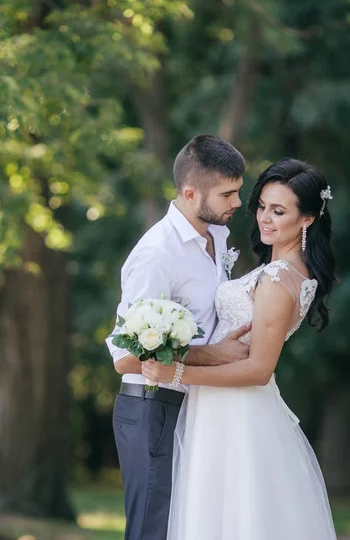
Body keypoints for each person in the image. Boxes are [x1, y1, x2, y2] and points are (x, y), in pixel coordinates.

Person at [142, 158, 338, 540]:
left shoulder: (280, 280)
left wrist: (177, 372)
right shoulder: (279, 269)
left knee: (235, 517)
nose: (265, 218)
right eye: (262, 206)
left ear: (307, 220)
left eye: (279, 211)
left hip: (240, 413)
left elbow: (257, 369)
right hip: (220, 407)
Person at [105, 134, 251, 540]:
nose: (238, 203)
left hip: (197, 406)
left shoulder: (217, 236)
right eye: (228, 194)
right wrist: (217, 355)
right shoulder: (157, 254)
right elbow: (125, 357)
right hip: (153, 410)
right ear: (191, 193)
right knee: (152, 530)